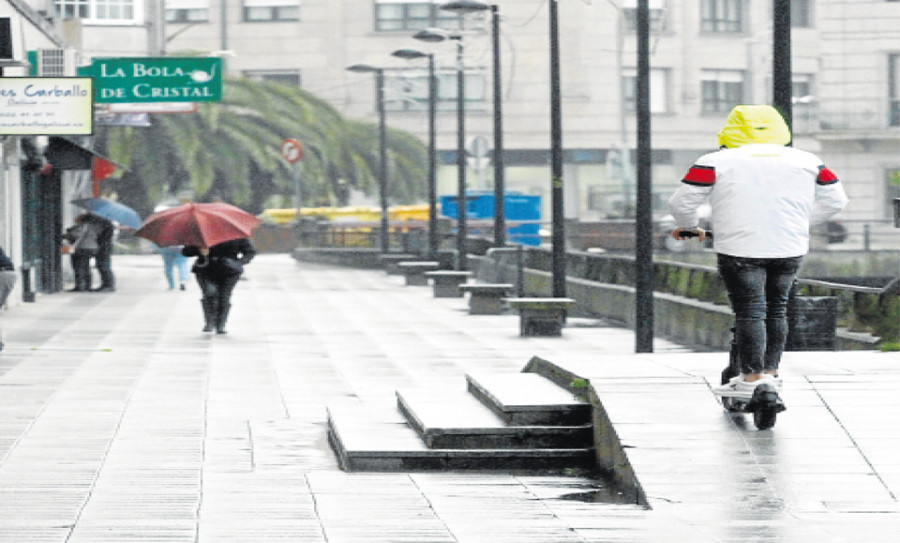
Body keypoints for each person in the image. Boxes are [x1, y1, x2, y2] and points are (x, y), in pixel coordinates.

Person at [667, 104, 848, 400]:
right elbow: (836, 201)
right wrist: (799, 222)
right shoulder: (808, 161)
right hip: (788, 247)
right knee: (777, 308)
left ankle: (751, 378)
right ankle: (771, 376)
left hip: (739, 247)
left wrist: (691, 228)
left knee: (750, 309)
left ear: (732, 128)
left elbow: (680, 204)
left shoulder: (715, 161)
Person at [182, 238, 256, 334]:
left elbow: (250, 252)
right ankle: (209, 321)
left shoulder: (237, 235)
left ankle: (220, 324)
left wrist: (238, 263)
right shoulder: (201, 234)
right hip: (205, 269)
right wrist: (199, 250)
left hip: (229, 271)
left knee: (224, 296)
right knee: (209, 292)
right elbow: (186, 252)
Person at [63, 214, 101, 292]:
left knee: (78, 267)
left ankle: (80, 286)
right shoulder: (94, 226)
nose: (76, 218)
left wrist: (69, 232)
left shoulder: (84, 225)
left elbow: (76, 234)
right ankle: (87, 285)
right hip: (92, 247)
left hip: (83, 248)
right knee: (86, 267)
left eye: (78, 217)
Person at [86, 214, 116, 292]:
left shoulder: (106, 225)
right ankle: (106, 284)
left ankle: (108, 285)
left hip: (104, 247)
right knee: (101, 265)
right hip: (103, 247)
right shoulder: (106, 224)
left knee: (104, 265)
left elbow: (103, 236)